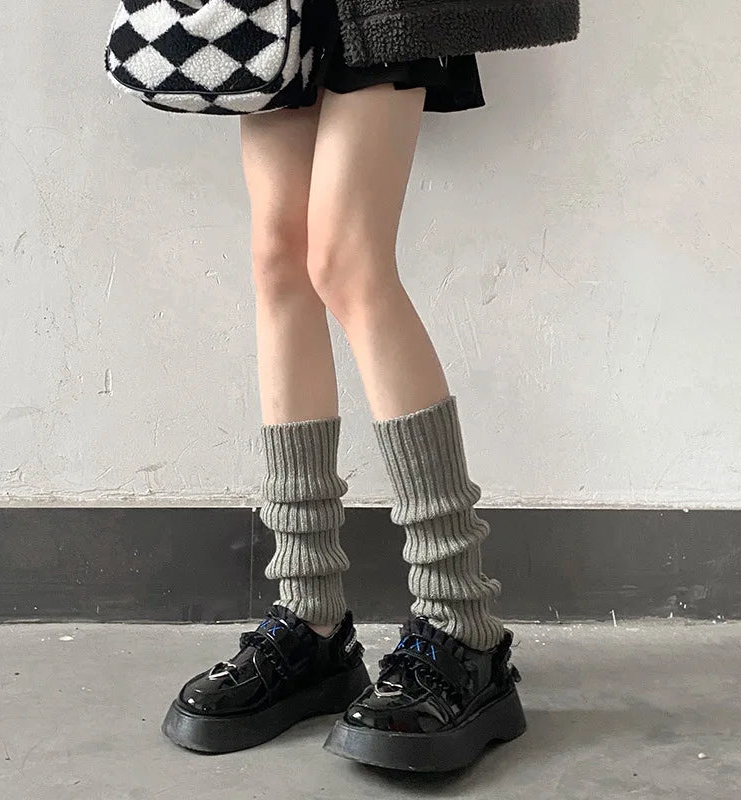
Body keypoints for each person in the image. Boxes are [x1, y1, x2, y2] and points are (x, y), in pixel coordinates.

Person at [160, 0, 579, 772]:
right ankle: (310, 620)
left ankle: (462, 626)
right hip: (274, 13)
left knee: (347, 262)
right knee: (280, 260)